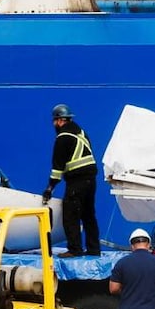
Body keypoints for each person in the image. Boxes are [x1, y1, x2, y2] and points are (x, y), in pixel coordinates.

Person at [41, 104, 100, 257]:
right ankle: (94, 249)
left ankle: (75, 249)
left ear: (60, 120)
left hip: (76, 182)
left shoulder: (62, 138)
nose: (54, 124)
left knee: (71, 215)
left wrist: (49, 189)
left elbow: (57, 169)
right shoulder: (81, 133)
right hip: (90, 180)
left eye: (55, 121)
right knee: (89, 215)